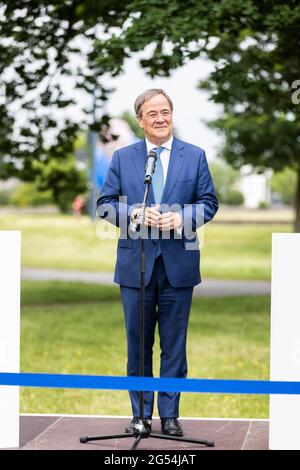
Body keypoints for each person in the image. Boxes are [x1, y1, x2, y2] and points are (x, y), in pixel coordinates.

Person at [97, 88, 218, 436]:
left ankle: (169, 416)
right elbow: (105, 204)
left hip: (180, 266)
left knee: (174, 346)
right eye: (153, 113)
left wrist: (181, 218)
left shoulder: (194, 156)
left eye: (165, 111)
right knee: (138, 345)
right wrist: (134, 212)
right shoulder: (123, 158)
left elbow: (209, 203)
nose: (161, 118)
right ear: (140, 120)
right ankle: (140, 416)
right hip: (136, 267)